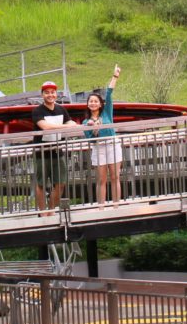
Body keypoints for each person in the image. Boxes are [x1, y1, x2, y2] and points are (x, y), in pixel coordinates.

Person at [30, 80, 77, 213]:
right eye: (47, 93)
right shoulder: (37, 111)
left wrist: (69, 124)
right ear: (42, 95)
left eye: (52, 92)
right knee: (41, 184)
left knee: (61, 183)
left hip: (57, 150)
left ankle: (51, 210)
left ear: (56, 94)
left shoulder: (61, 109)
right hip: (41, 152)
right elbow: (45, 127)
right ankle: (42, 212)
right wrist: (65, 126)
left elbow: (71, 122)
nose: (50, 95)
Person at [84, 65, 123, 204]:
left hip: (112, 145)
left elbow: (109, 93)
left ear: (100, 104)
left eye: (96, 101)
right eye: (91, 101)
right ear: (88, 104)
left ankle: (116, 205)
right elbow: (91, 141)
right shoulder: (85, 122)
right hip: (99, 148)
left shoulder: (107, 113)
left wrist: (115, 76)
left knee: (115, 177)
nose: (93, 103)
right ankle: (101, 207)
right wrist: (94, 130)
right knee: (101, 179)